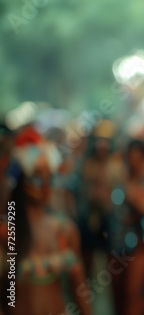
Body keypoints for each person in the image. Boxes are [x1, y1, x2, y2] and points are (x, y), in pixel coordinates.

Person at [0, 126, 91, 315]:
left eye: (50, 177)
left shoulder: (65, 229)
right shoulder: (8, 231)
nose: (45, 185)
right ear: (21, 181)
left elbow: (80, 290)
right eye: (37, 177)